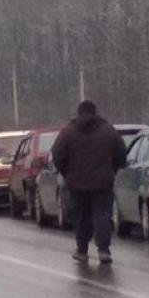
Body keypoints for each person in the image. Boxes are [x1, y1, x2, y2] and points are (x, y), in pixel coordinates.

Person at [51, 100, 127, 265]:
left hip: (77, 184)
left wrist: (67, 172)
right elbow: (121, 153)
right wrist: (112, 169)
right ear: (95, 112)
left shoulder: (68, 132)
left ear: (79, 113)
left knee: (81, 217)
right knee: (102, 215)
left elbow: (57, 155)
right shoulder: (108, 131)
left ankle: (82, 250)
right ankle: (103, 250)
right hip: (102, 183)